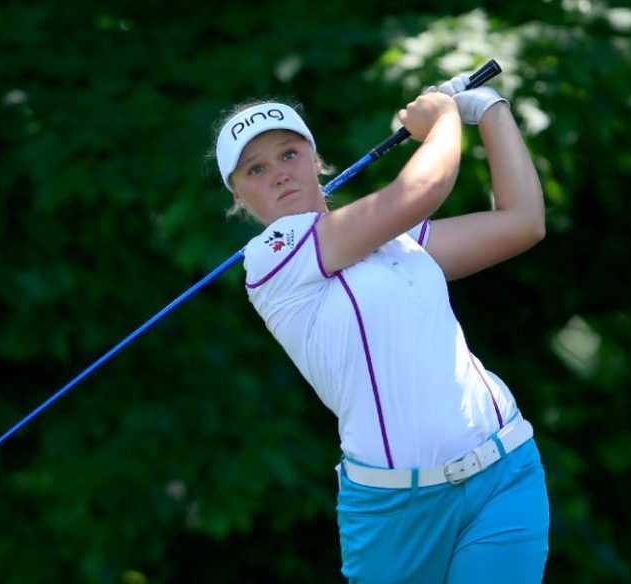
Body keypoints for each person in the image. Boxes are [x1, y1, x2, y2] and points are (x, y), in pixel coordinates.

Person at [212, 73, 549, 583]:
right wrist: (441, 119)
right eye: (255, 169)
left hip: (503, 470)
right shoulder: (270, 259)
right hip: (396, 512)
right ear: (238, 196)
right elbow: (425, 187)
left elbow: (523, 222)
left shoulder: (400, 237)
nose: (278, 174)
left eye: (288, 154)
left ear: (315, 160)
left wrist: (488, 109)